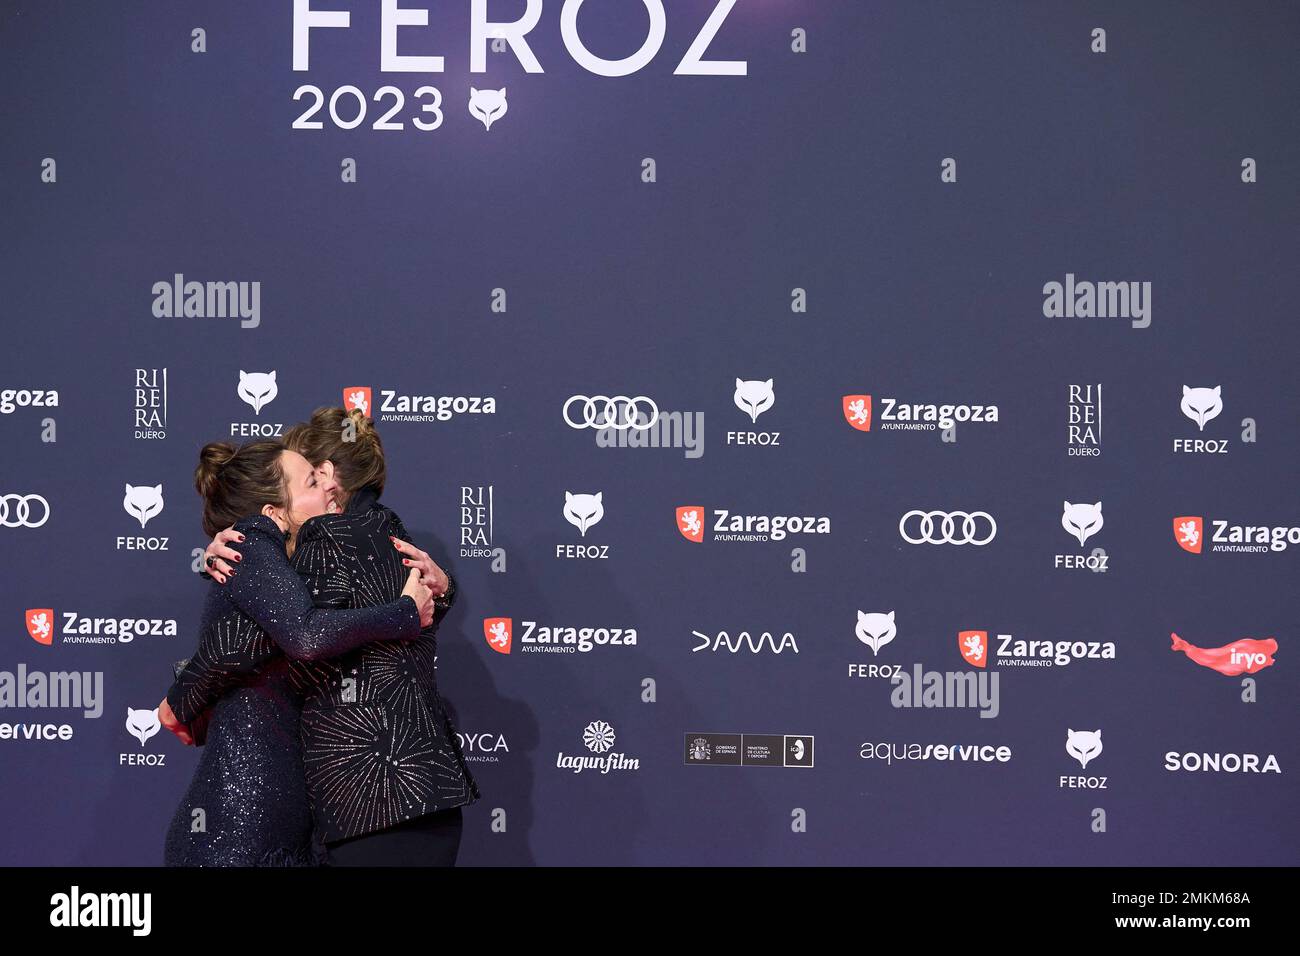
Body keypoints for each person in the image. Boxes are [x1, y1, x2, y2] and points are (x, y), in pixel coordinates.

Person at [187, 407, 480, 866]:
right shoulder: (391, 532)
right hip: (426, 793)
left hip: (368, 801)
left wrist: (181, 699)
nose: (319, 486)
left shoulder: (322, 546)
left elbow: (269, 638)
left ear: (332, 479)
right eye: (306, 480)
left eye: (313, 476)